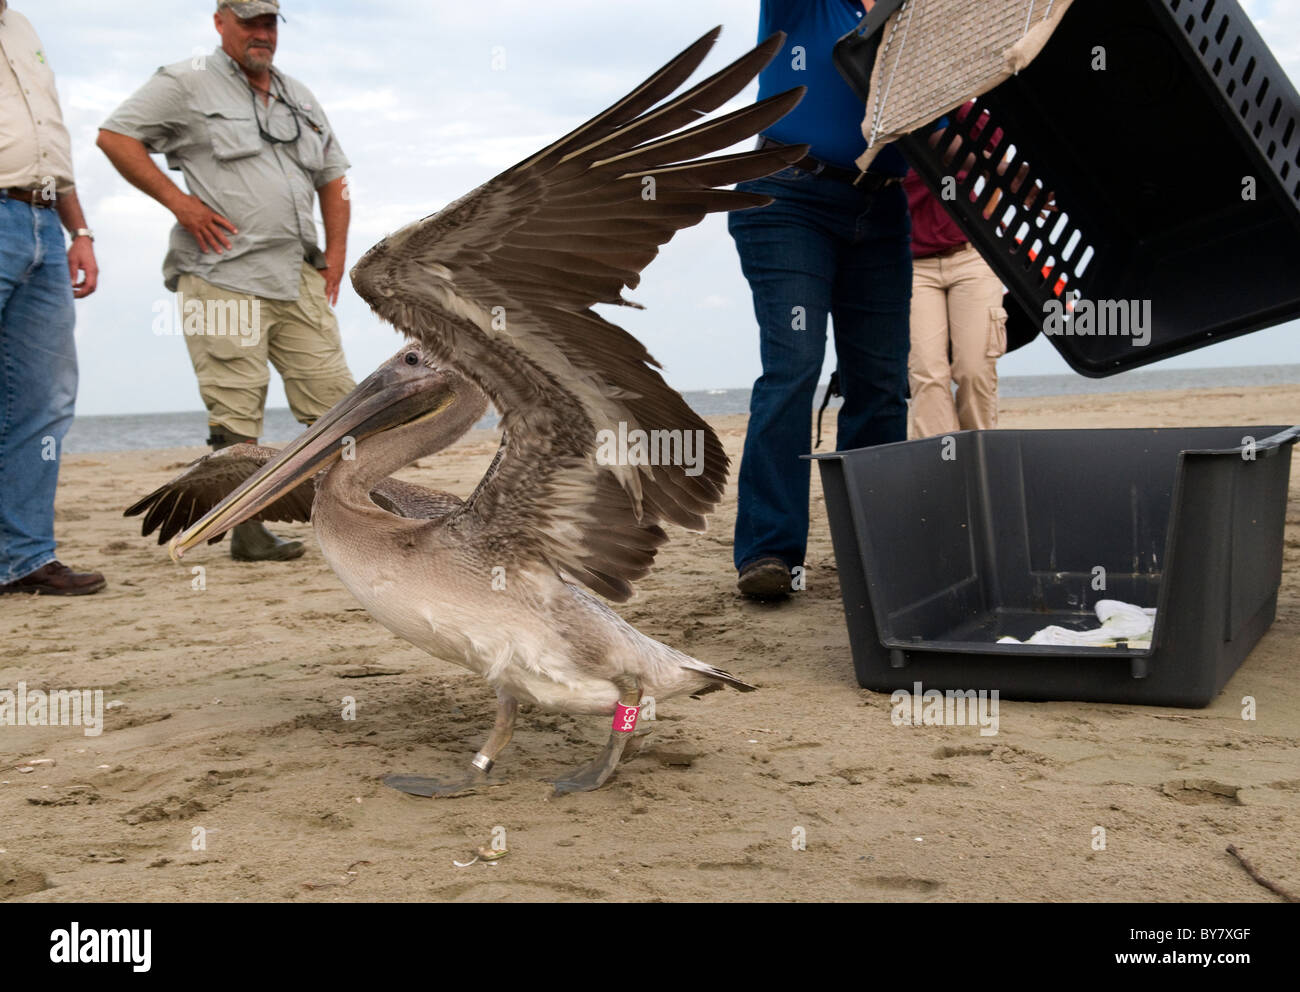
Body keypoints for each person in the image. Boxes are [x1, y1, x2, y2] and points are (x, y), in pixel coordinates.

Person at [97, 0, 355, 562]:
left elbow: (334, 177)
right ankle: (248, 529)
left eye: (269, 23)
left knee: (339, 400)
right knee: (236, 413)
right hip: (220, 275)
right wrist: (181, 204)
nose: (260, 33)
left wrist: (335, 254)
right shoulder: (183, 83)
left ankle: (360, 513)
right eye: (248, 21)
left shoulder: (300, 95)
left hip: (297, 274)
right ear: (220, 22)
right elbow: (116, 136)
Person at [729, 0, 911, 601]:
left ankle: (875, 543)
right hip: (787, 196)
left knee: (881, 381)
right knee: (795, 366)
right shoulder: (808, 6)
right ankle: (770, 552)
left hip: (882, 208)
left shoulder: (925, 19)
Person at [0, 1, 106, 596]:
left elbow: (49, 145)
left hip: (43, 223)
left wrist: (80, 232)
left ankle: (23, 559)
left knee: (45, 401)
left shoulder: (23, 27)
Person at [905, 102, 1008, 437]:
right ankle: (936, 472)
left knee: (975, 369)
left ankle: (981, 463)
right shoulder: (884, 125)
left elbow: (1005, 159)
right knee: (927, 375)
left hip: (971, 255)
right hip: (912, 266)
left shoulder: (959, 111)